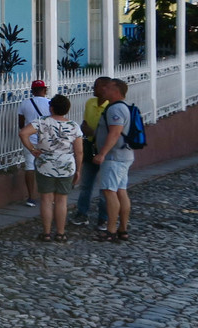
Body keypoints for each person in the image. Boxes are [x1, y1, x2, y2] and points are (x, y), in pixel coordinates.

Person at [19, 94, 82, 242]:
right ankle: (60, 233)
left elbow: (23, 133)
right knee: (61, 200)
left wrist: (32, 149)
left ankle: (46, 233)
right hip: (66, 165)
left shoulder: (42, 121)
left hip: (45, 163)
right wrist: (78, 169)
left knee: (46, 199)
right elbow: (79, 151)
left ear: (51, 108)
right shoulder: (73, 126)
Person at [92, 78, 134, 243]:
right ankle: (123, 229)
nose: (104, 90)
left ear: (116, 91)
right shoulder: (126, 107)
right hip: (124, 155)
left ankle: (111, 230)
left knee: (109, 192)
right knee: (121, 191)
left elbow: (115, 133)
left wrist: (102, 153)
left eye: (108, 88)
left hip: (113, 157)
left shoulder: (115, 109)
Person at [70, 76, 110, 228]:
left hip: (105, 150)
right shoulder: (90, 103)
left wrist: (92, 132)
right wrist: (85, 130)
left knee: (105, 187)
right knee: (86, 184)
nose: (93, 88)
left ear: (104, 88)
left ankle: (103, 217)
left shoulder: (110, 107)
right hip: (90, 148)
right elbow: (85, 124)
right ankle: (82, 213)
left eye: (96, 86)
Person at [16, 79, 50, 207]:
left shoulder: (25, 103)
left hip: (29, 139)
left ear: (32, 91)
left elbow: (21, 123)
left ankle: (31, 197)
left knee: (30, 166)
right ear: (44, 90)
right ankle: (48, 195)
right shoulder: (50, 103)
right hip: (45, 139)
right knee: (47, 166)